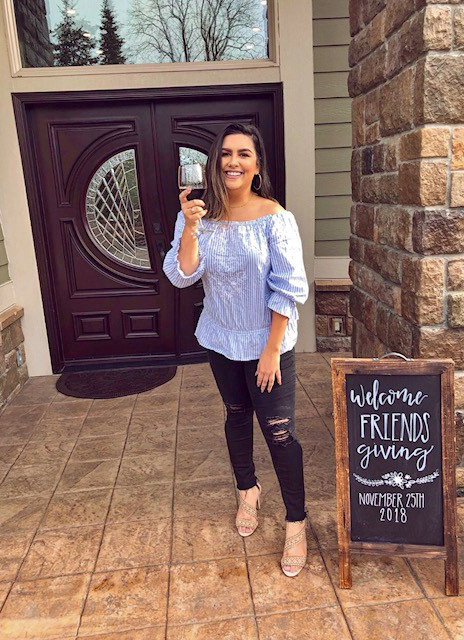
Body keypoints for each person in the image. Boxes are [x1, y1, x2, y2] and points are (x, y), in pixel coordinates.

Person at [163, 123, 309, 577]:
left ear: (257, 165)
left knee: (280, 433)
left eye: (243, 153)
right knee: (235, 416)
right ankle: (247, 489)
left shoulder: (275, 217)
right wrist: (190, 226)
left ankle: (296, 521)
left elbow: (288, 287)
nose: (232, 161)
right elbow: (183, 273)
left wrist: (270, 350)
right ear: (214, 162)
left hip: (267, 344)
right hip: (221, 340)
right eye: (225, 153)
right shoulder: (198, 216)